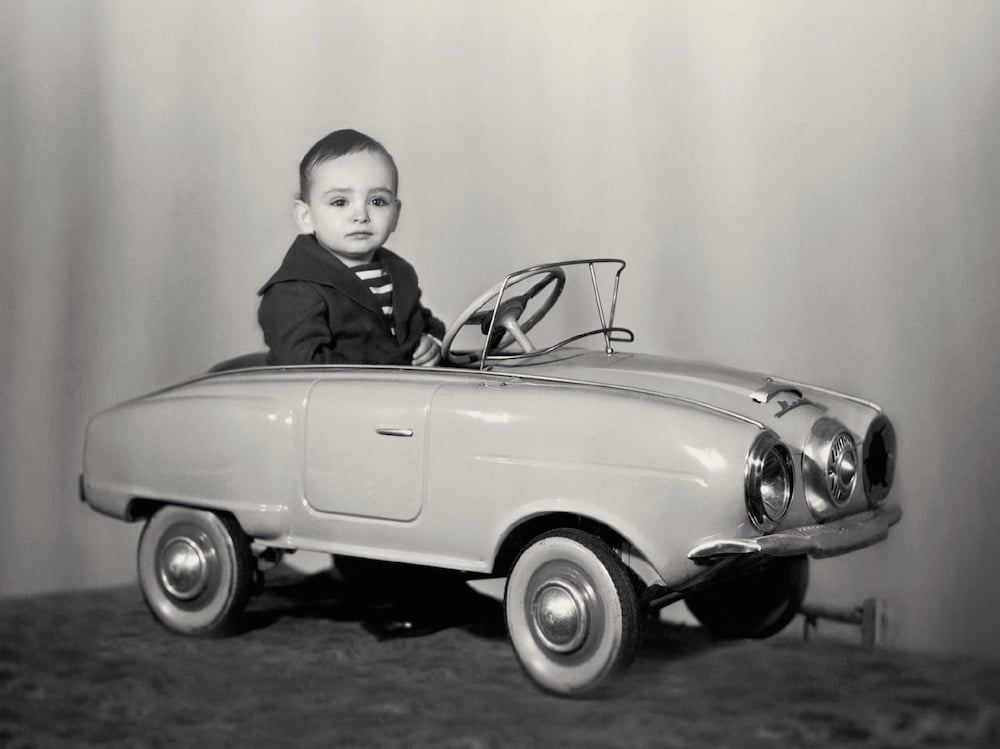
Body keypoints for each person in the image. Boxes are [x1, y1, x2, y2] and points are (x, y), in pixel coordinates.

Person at [258, 129, 444, 366]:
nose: (361, 215)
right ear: (306, 216)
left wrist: (431, 342)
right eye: (340, 202)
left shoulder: (400, 273)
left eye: (377, 201)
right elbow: (302, 364)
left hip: (400, 397)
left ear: (395, 214)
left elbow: (423, 321)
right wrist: (393, 363)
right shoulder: (295, 288)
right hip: (329, 400)